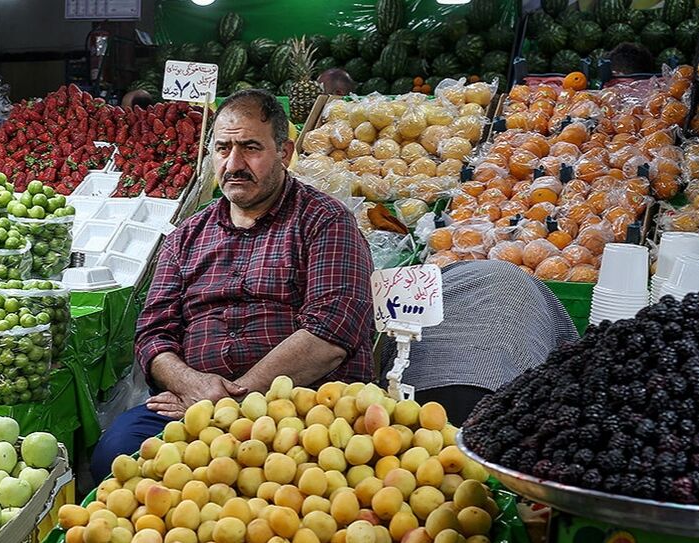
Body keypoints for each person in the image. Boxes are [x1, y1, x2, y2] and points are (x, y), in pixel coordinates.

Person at [89, 89, 375, 478]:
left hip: (299, 407)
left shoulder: (325, 221)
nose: (234, 163)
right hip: (192, 404)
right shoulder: (186, 236)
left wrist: (232, 397)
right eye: (223, 149)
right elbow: (153, 335)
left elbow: (331, 331)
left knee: (292, 481)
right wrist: (191, 384)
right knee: (117, 453)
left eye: (251, 148)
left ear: (285, 153)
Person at [383, 260, 579, 425]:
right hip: (500, 391)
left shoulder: (444, 284)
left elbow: (394, 339)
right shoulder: (531, 297)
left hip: (419, 389)